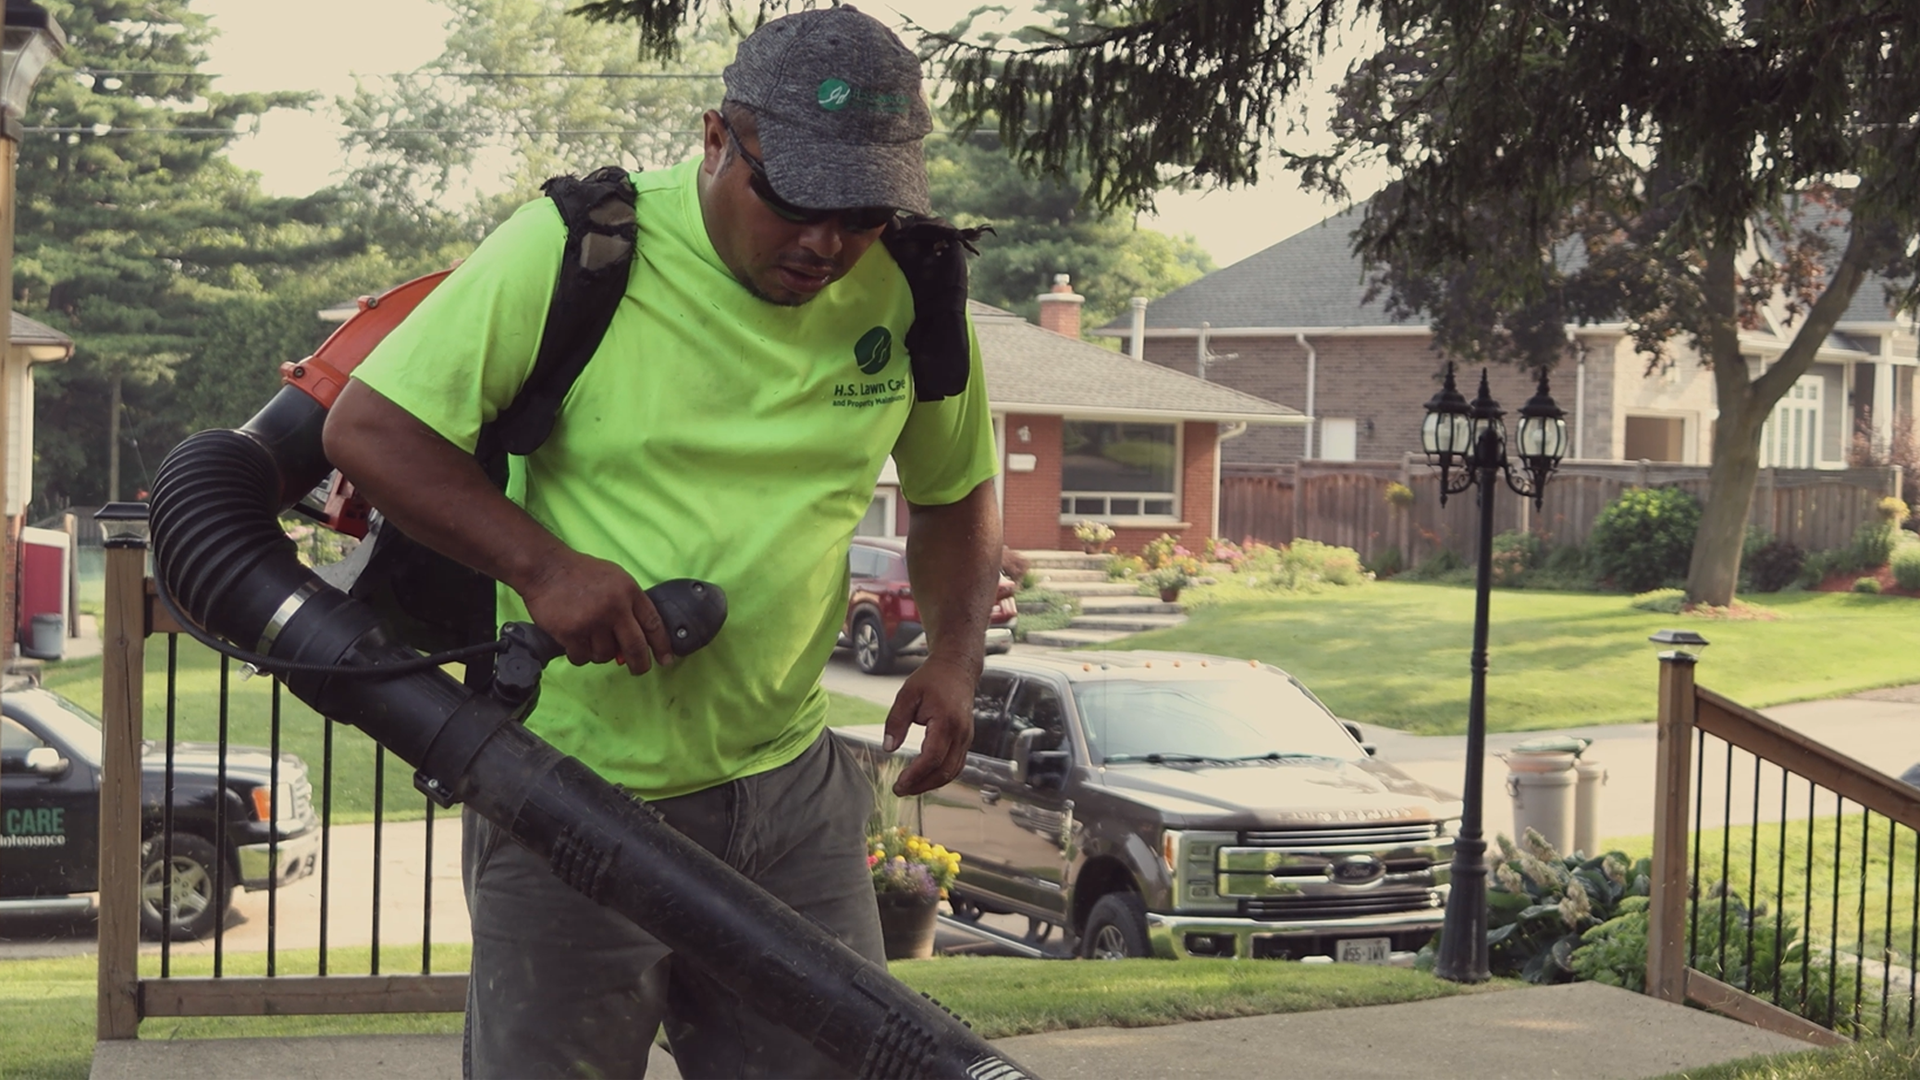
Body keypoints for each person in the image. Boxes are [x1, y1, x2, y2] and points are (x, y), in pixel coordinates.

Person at [320, 7, 1003, 1077]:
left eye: (864, 211)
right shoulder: (575, 249)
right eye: (797, 200)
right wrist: (542, 567)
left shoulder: (911, 287)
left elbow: (957, 490)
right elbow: (369, 430)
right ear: (716, 140)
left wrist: (957, 659)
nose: (827, 243)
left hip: (793, 800)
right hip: (568, 795)